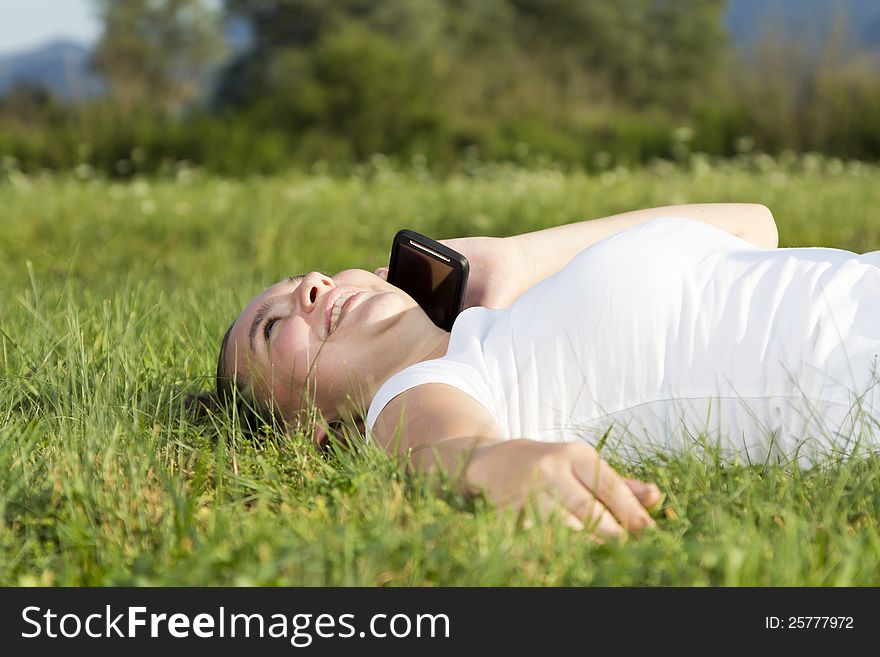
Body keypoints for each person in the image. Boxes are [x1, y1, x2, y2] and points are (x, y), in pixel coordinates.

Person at [211, 203, 880, 540]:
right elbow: (442, 448)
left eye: (308, 276)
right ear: (317, 432)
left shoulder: (507, 318)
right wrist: (496, 467)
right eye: (272, 328)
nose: (312, 288)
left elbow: (753, 223)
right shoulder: (418, 389)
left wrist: (514, 257)